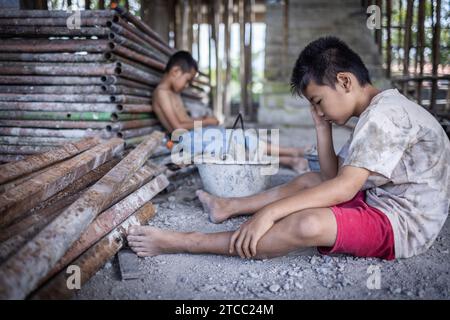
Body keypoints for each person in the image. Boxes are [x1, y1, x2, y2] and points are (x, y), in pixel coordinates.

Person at [127, 37, 450, 260]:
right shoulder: (376, 111)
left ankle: (186, 242)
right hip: (382, 199)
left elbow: (343, 187)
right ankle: (229, 205)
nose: (318, 110)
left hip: (401, 224)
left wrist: (270, 213)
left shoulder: (384, 116)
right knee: (311, 180)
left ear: (346, 82)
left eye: (319, 101)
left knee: (307, 223)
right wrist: (322, 127)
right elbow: (330, 176)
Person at [152, 50, 310, 172]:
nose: (187, 85)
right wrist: (206, 121)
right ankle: (290, 158)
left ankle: (292, 153)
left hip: (196, 135)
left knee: (241, 137)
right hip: (184, 141)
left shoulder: (173, 93)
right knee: (232, 147)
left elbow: (184, 119)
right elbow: (177, 126)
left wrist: (203, 119)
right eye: (188, 80)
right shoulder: (162, 93)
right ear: (175, 72)